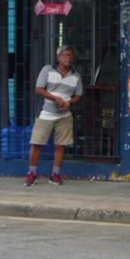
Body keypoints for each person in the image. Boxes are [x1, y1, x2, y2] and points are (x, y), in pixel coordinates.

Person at [26, 46, 83, 187]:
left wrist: (69, 103)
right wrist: (55, 99)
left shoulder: (76, 76)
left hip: (65, 116)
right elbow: (39, 89)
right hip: (45, 114)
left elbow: (78, 96)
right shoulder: (47, 70)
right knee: (37, 144)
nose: (68, 58)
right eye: (65, 55)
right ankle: (32, 173)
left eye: (71, 56)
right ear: (58, 57)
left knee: (60, 146)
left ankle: (55, 174)